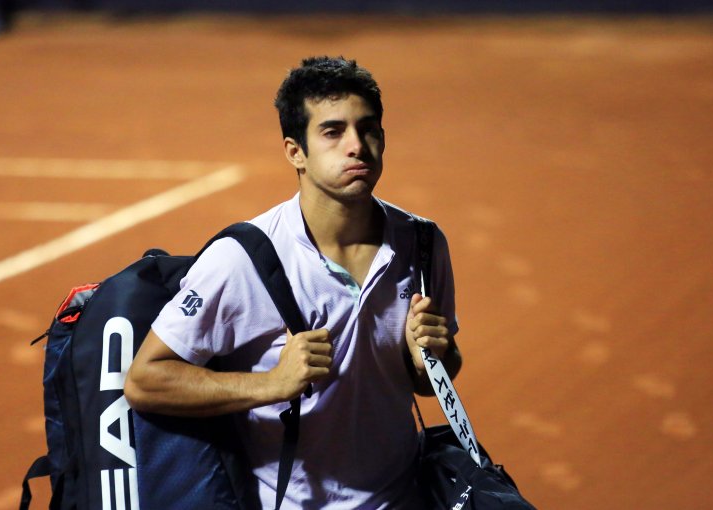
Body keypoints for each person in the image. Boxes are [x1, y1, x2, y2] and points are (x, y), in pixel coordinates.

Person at [125, 56, 463, 509]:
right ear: (295, 152)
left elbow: (428, 382)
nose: (356, 146)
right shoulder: (242, 259)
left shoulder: (422, 243)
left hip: (403, 498)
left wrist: (434, 359)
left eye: (368, 129)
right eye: (332, 132)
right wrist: (270, 384)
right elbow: (145, 380)